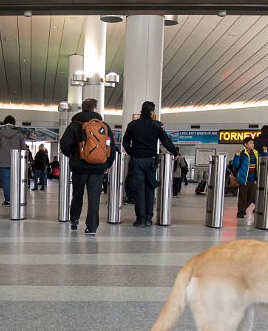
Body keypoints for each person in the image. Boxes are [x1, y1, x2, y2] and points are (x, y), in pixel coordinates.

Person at [59, 97, 117, 235]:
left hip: (79, 167)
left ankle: (74, 220)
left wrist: (74, 156)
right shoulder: (104, 126)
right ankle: (91, 228)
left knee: (77, 194)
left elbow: (64, 145)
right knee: (94, 196)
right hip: (98, 167)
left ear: (83, 108)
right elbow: (112, 147)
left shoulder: (74, 125)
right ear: (95, 109)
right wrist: (107, 163)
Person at [123, 101, 178, 227]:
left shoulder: (132, 125)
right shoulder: (156, 125)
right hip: (151, 161)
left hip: (137, 161)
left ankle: (140, 219)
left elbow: (125, 142)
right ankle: (148, 218)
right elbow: (166, 141)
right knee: (149, 188)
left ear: (141, 111)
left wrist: (132, 153)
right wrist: (175, 152)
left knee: (139, 190)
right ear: (152, 112)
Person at [0, 116, 27, 205]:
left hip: (3, 161)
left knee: (6, 181)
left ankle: (8, 200)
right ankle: (15, 199)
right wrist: (24, 162)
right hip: (16, 161)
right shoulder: (19, 134)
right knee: (15, 181)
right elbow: (23, 149)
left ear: (4, 123)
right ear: (14, 123)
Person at [231, 137, 259, 219]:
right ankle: (241, 212)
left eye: (253, 143)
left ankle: (243, 209)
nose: (252, 144)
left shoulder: (256, 153)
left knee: (253, 195)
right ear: (245, 144)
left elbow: (261, 161)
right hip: (244, 179)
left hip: (253, 179)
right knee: (242, 196)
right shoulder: (242, 154)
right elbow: (235, 165)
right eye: (250, 143)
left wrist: (264, 153)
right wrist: (237, 155)